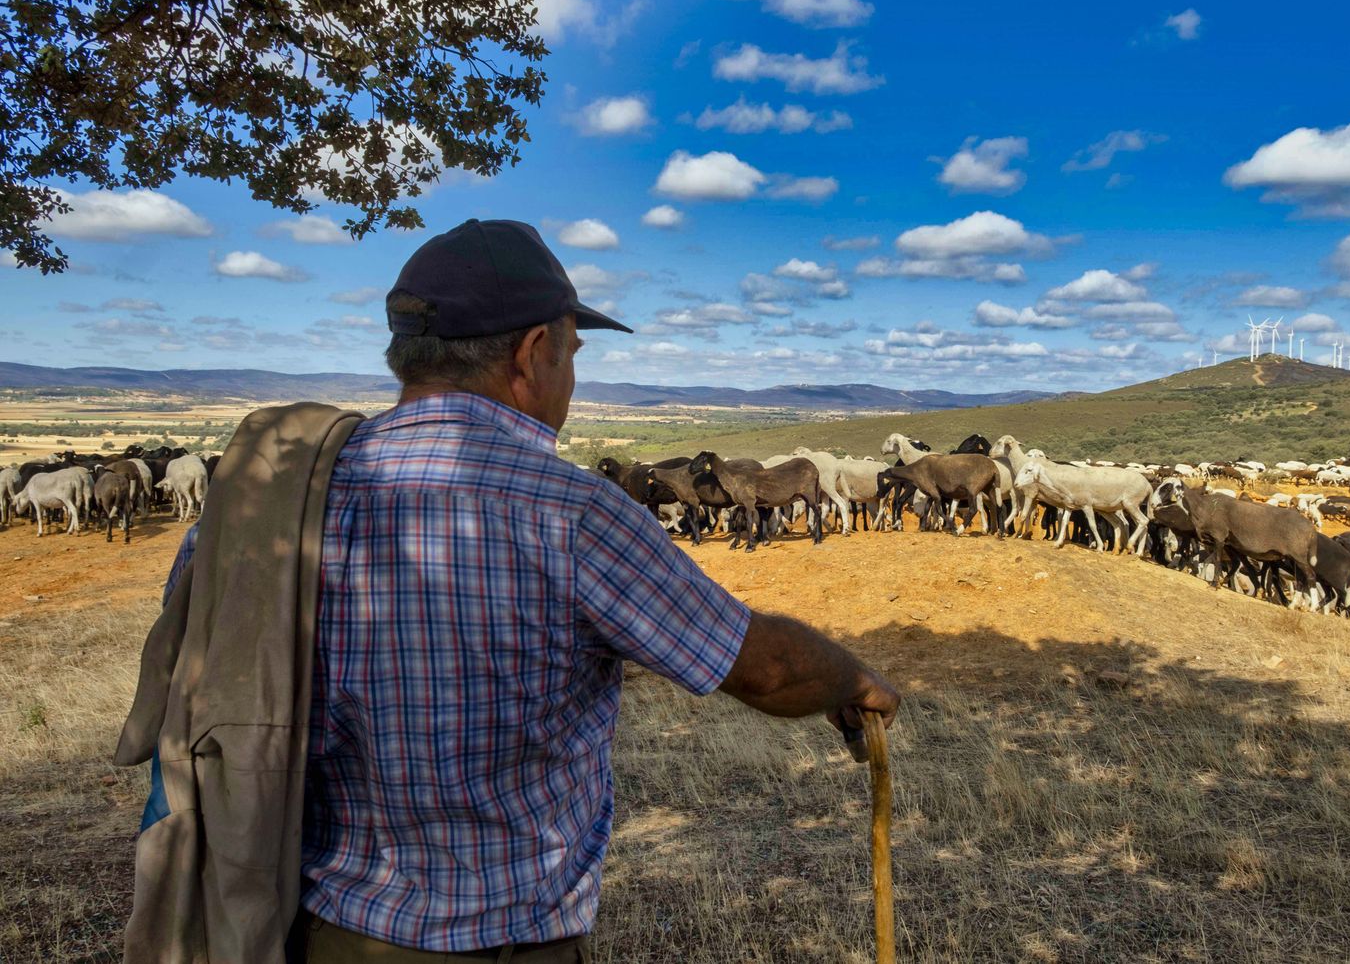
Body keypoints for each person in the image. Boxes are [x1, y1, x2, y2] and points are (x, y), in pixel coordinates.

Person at [159, 218, 899, 962]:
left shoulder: (268, 502)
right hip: (506, 943)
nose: (571, 377)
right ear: (533, 352)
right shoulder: (572, 512)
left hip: (319, 931)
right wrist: (851, 677)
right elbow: (763, 670)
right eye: (573, 352)